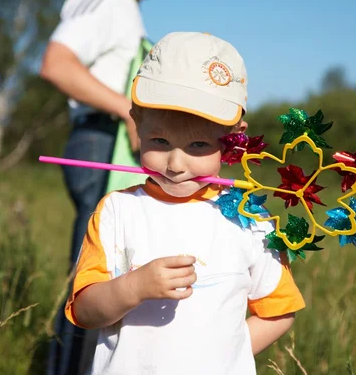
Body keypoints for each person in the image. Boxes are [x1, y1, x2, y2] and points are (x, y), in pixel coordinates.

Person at [65, 32, 306, 375]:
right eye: (159, 140)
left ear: (235, 138)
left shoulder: (249, 218)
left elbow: (279, 311)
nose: (176, 164)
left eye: (197, 145)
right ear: (136, 121)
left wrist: (224, 359)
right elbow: (85, 311)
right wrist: (134, 287)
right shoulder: (117, 212)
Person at [39, 0, 168, 374]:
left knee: (114, 273)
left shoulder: (126, 5)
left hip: (116, 141)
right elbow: (56, 64)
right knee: (92, 279)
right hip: (101, 141)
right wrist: (125, 109)